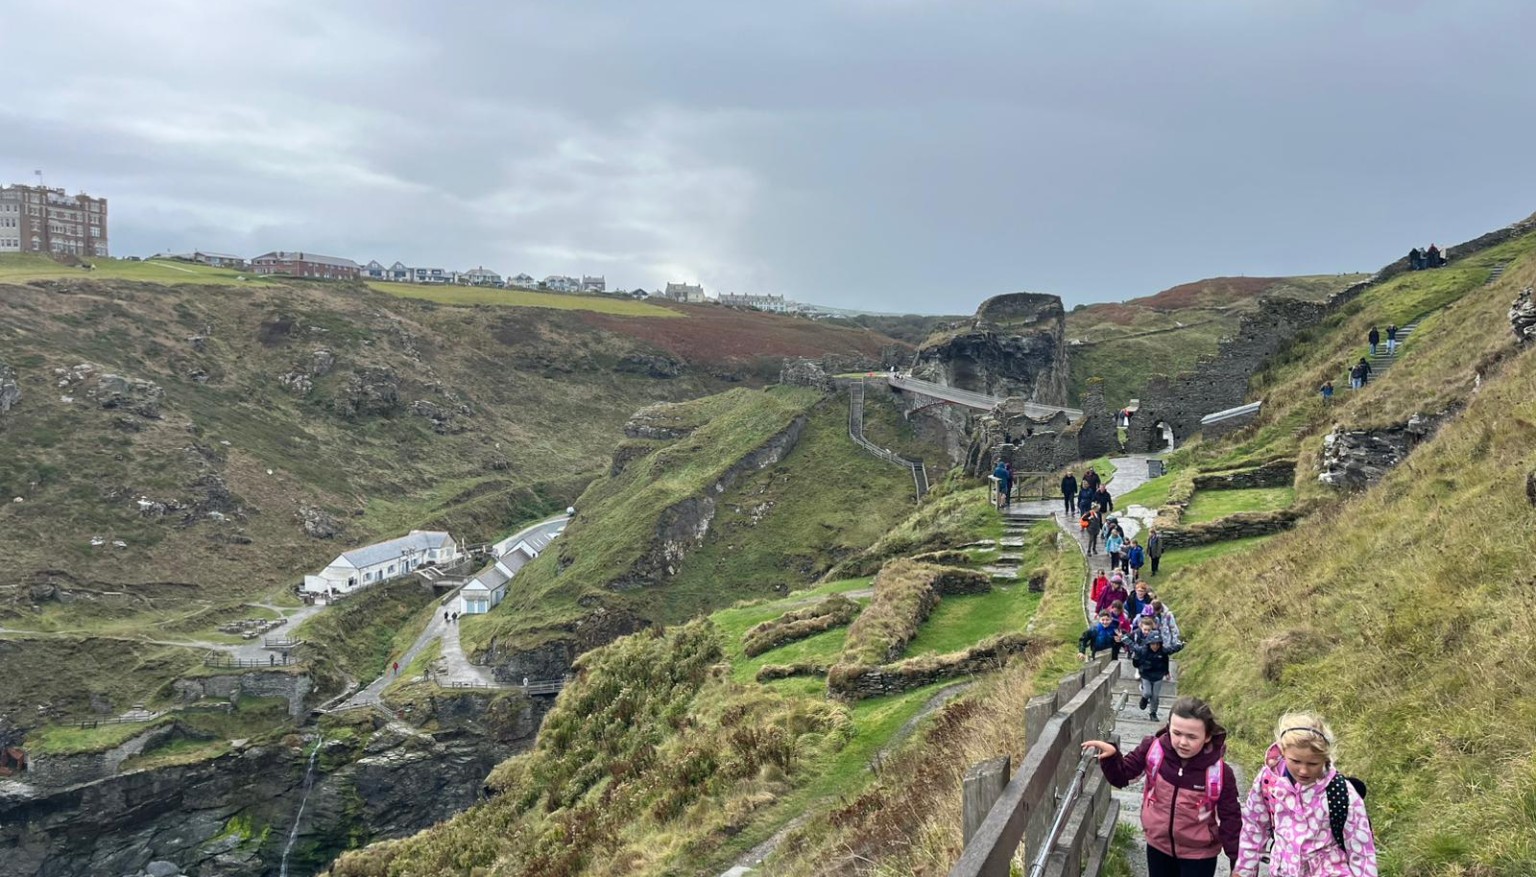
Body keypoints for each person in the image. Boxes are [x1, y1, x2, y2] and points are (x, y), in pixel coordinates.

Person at [1083, 696, 1242, 877]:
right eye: (1177, 733)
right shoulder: (1153, 750)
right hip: (1158, 847)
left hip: (1200, 856)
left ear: (1207, 737)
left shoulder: (1220, 773)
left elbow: (1231, 819)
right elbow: (1123, 777)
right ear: (1168, 727)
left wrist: (1237, 864)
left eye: (1191, 737)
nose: (1183, 742)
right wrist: (1111, 757)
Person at [1235, 713, 1377, 877]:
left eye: (1312, 764)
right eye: (1295, 761)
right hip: (1284, 871)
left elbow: (1361, 850)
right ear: (1282, 751)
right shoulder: (1269, 782)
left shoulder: (1341, 792)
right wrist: (1245, 870)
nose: (1303, 770)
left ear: (1325, 758)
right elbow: (1254, 827)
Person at [1133, 632, 1172, 719]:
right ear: (1149, 644)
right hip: (1146, 675)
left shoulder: (1163, 652)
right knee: (1147, 693)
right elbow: (1136, 659)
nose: (1155, 646)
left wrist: (1167, 673)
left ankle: (1153, 713)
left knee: (1155, 696)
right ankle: (1144, 698)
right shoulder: (1143, 651)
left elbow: (1166, 662)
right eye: (1153, 644)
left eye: (1157, 644)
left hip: (1158, 676)